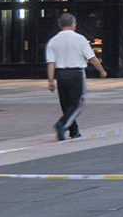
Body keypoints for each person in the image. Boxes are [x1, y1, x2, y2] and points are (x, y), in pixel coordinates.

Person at [44, 11, 105, 141]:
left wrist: (51, 80)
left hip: (60, 74)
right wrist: (101, 70)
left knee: (66, 104)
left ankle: (74, 131)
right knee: (77, 103)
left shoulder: (53, 41)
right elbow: (92, 57)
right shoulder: (80, 39)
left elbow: (50, 63)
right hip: (76, 73)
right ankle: (62, 124)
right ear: (73, 24)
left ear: (60, 25)